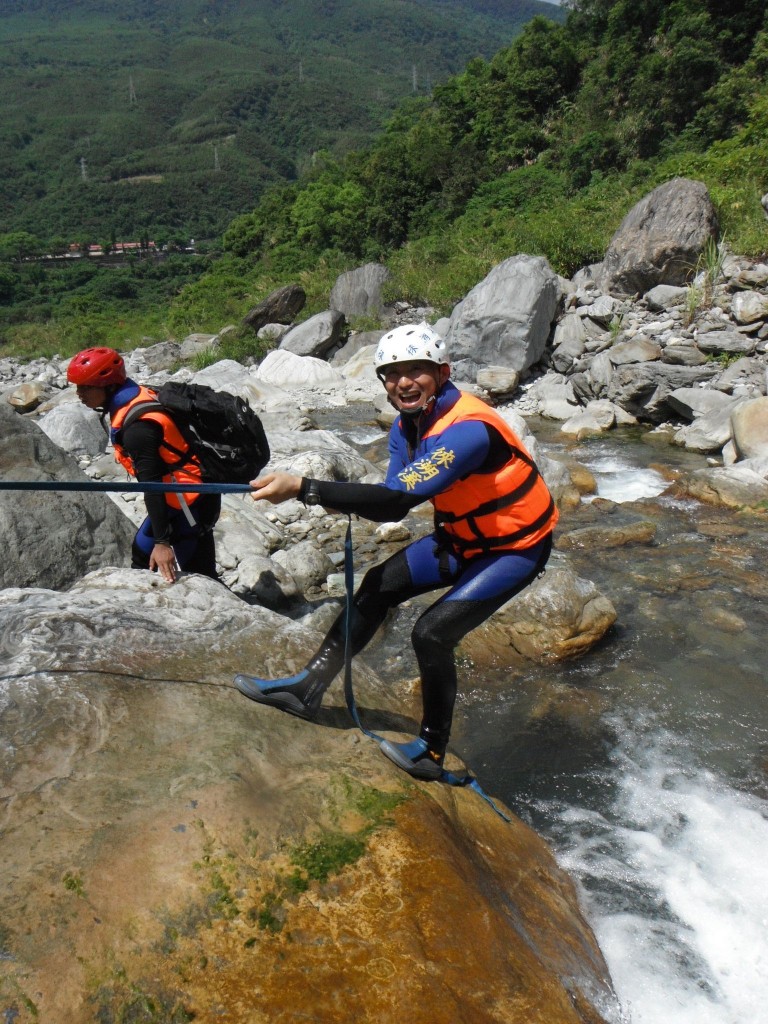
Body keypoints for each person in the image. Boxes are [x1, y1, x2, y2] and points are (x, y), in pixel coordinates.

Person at [235, 322, 558, 780]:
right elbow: (392, 500)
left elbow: (396, 502)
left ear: (442, 373)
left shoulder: (469, 431)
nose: (403, 382)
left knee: (431, 634)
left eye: (416, 371)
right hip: (461, 540)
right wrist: (323, 494)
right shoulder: (408, 428)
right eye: (391, 373)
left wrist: (305, 488)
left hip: (514, 549)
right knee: (375, 586)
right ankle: (306, 690)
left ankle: (432, 751)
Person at [67, 346, 221, 584]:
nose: (79, 393)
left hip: (191, 505)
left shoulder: (138, 430)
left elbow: (153, 485)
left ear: (109, 386)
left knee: (202, 576)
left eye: (86, 386)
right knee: (141, 556)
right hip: (178, 499)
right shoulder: (135, 396)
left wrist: (162, 543)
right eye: (78, 386)